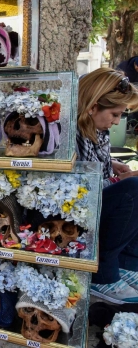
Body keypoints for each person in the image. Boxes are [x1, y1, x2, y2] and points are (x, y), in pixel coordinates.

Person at [77, 67, 138, 304]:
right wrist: (118, 181)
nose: (116, 122)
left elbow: (97, 164)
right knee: (133, 192)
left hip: (98, 197)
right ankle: (103, 274)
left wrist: (112, 164)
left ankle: (127, 263)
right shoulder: (73, 131)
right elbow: (82, 188)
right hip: (80, 210)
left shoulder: (96, 127)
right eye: (114, 114)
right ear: (92, 107)